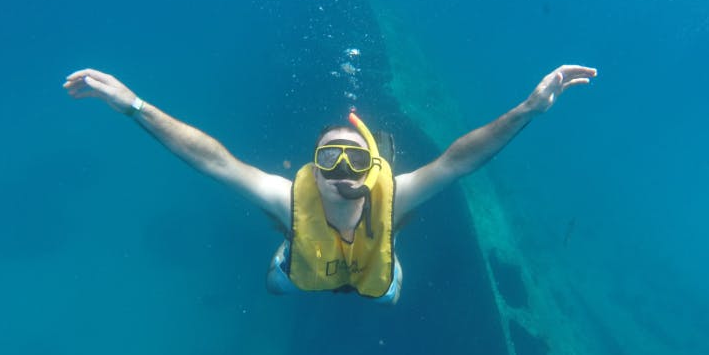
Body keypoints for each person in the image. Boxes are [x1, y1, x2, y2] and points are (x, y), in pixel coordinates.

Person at [63, 65, 597, 305]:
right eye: (329, 158)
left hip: (374, 275)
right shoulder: (287, 197)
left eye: (355, 158)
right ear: (313, 168)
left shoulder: (396, 192)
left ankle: (381, 251)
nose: (342, 169)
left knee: (390, 291)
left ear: (372, 166)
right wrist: (134, 106)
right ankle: (296, 251)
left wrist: (528, 110)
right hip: (301, 270)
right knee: (274, 285)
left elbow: (459, 159)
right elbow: (214, 161)